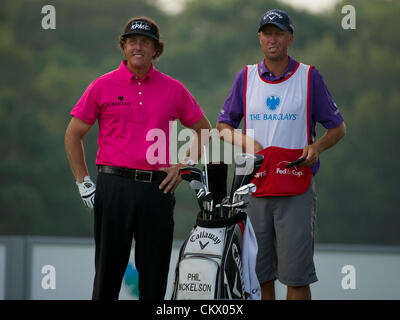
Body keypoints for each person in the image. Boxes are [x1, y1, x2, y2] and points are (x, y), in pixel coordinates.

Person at [65, 16, 211, 300]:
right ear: (123, 46)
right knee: (107, 275)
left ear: (156, 49)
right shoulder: (102, 85)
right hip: (113, 186)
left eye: (145, 42)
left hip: (157, 189)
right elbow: (73, 134)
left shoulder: (174, 89)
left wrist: (183, 166)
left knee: (154, 277)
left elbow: (204, 130)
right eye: (132, 41)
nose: (138, 47)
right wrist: (83, 181)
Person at [216, 9, 346, 300]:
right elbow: (223, 125)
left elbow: (338, 129)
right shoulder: (246, 76)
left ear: (290, 38)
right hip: (255, 187)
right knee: (258, 276)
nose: (272, 39)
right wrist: (248, 144)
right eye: (267, 33)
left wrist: (316, 148)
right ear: (260, 38)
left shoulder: (309, 76)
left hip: (295, 186)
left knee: (296, 277)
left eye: (279, 33)